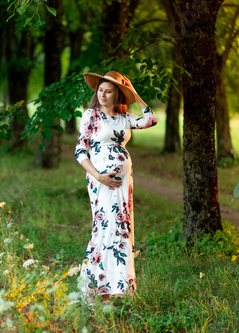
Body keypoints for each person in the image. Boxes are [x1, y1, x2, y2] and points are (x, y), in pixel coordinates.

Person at [75, 70, 158, 303]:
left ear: (117, 94)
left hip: (123, 183)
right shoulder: (91, 115)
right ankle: (94, 290)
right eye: (100, 90)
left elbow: (151, 119)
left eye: (108, 90)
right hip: (99, 181)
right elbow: (80, 151)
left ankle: (115, 288)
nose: (102, 94)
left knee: (121, 228)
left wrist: (134, 93)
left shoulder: (125, 117)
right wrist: (98, 176)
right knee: (103, 227)